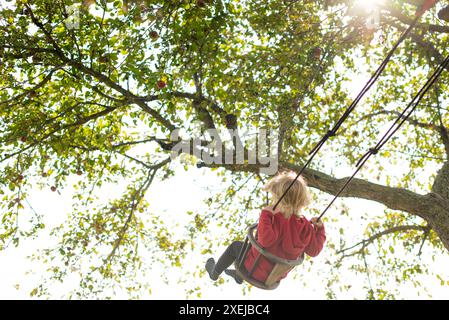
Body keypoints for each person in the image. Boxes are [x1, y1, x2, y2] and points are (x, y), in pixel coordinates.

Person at [205, 171, 326, 285]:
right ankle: (238, 276)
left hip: (252, 268)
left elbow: (265, 241)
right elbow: (314, 251)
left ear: (279, 197)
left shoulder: (275, 217)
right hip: (272, 277)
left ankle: (214, 273)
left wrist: (265, 214)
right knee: (255, 251)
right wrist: (320, 229)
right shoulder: (306, 226)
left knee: (236, 247)